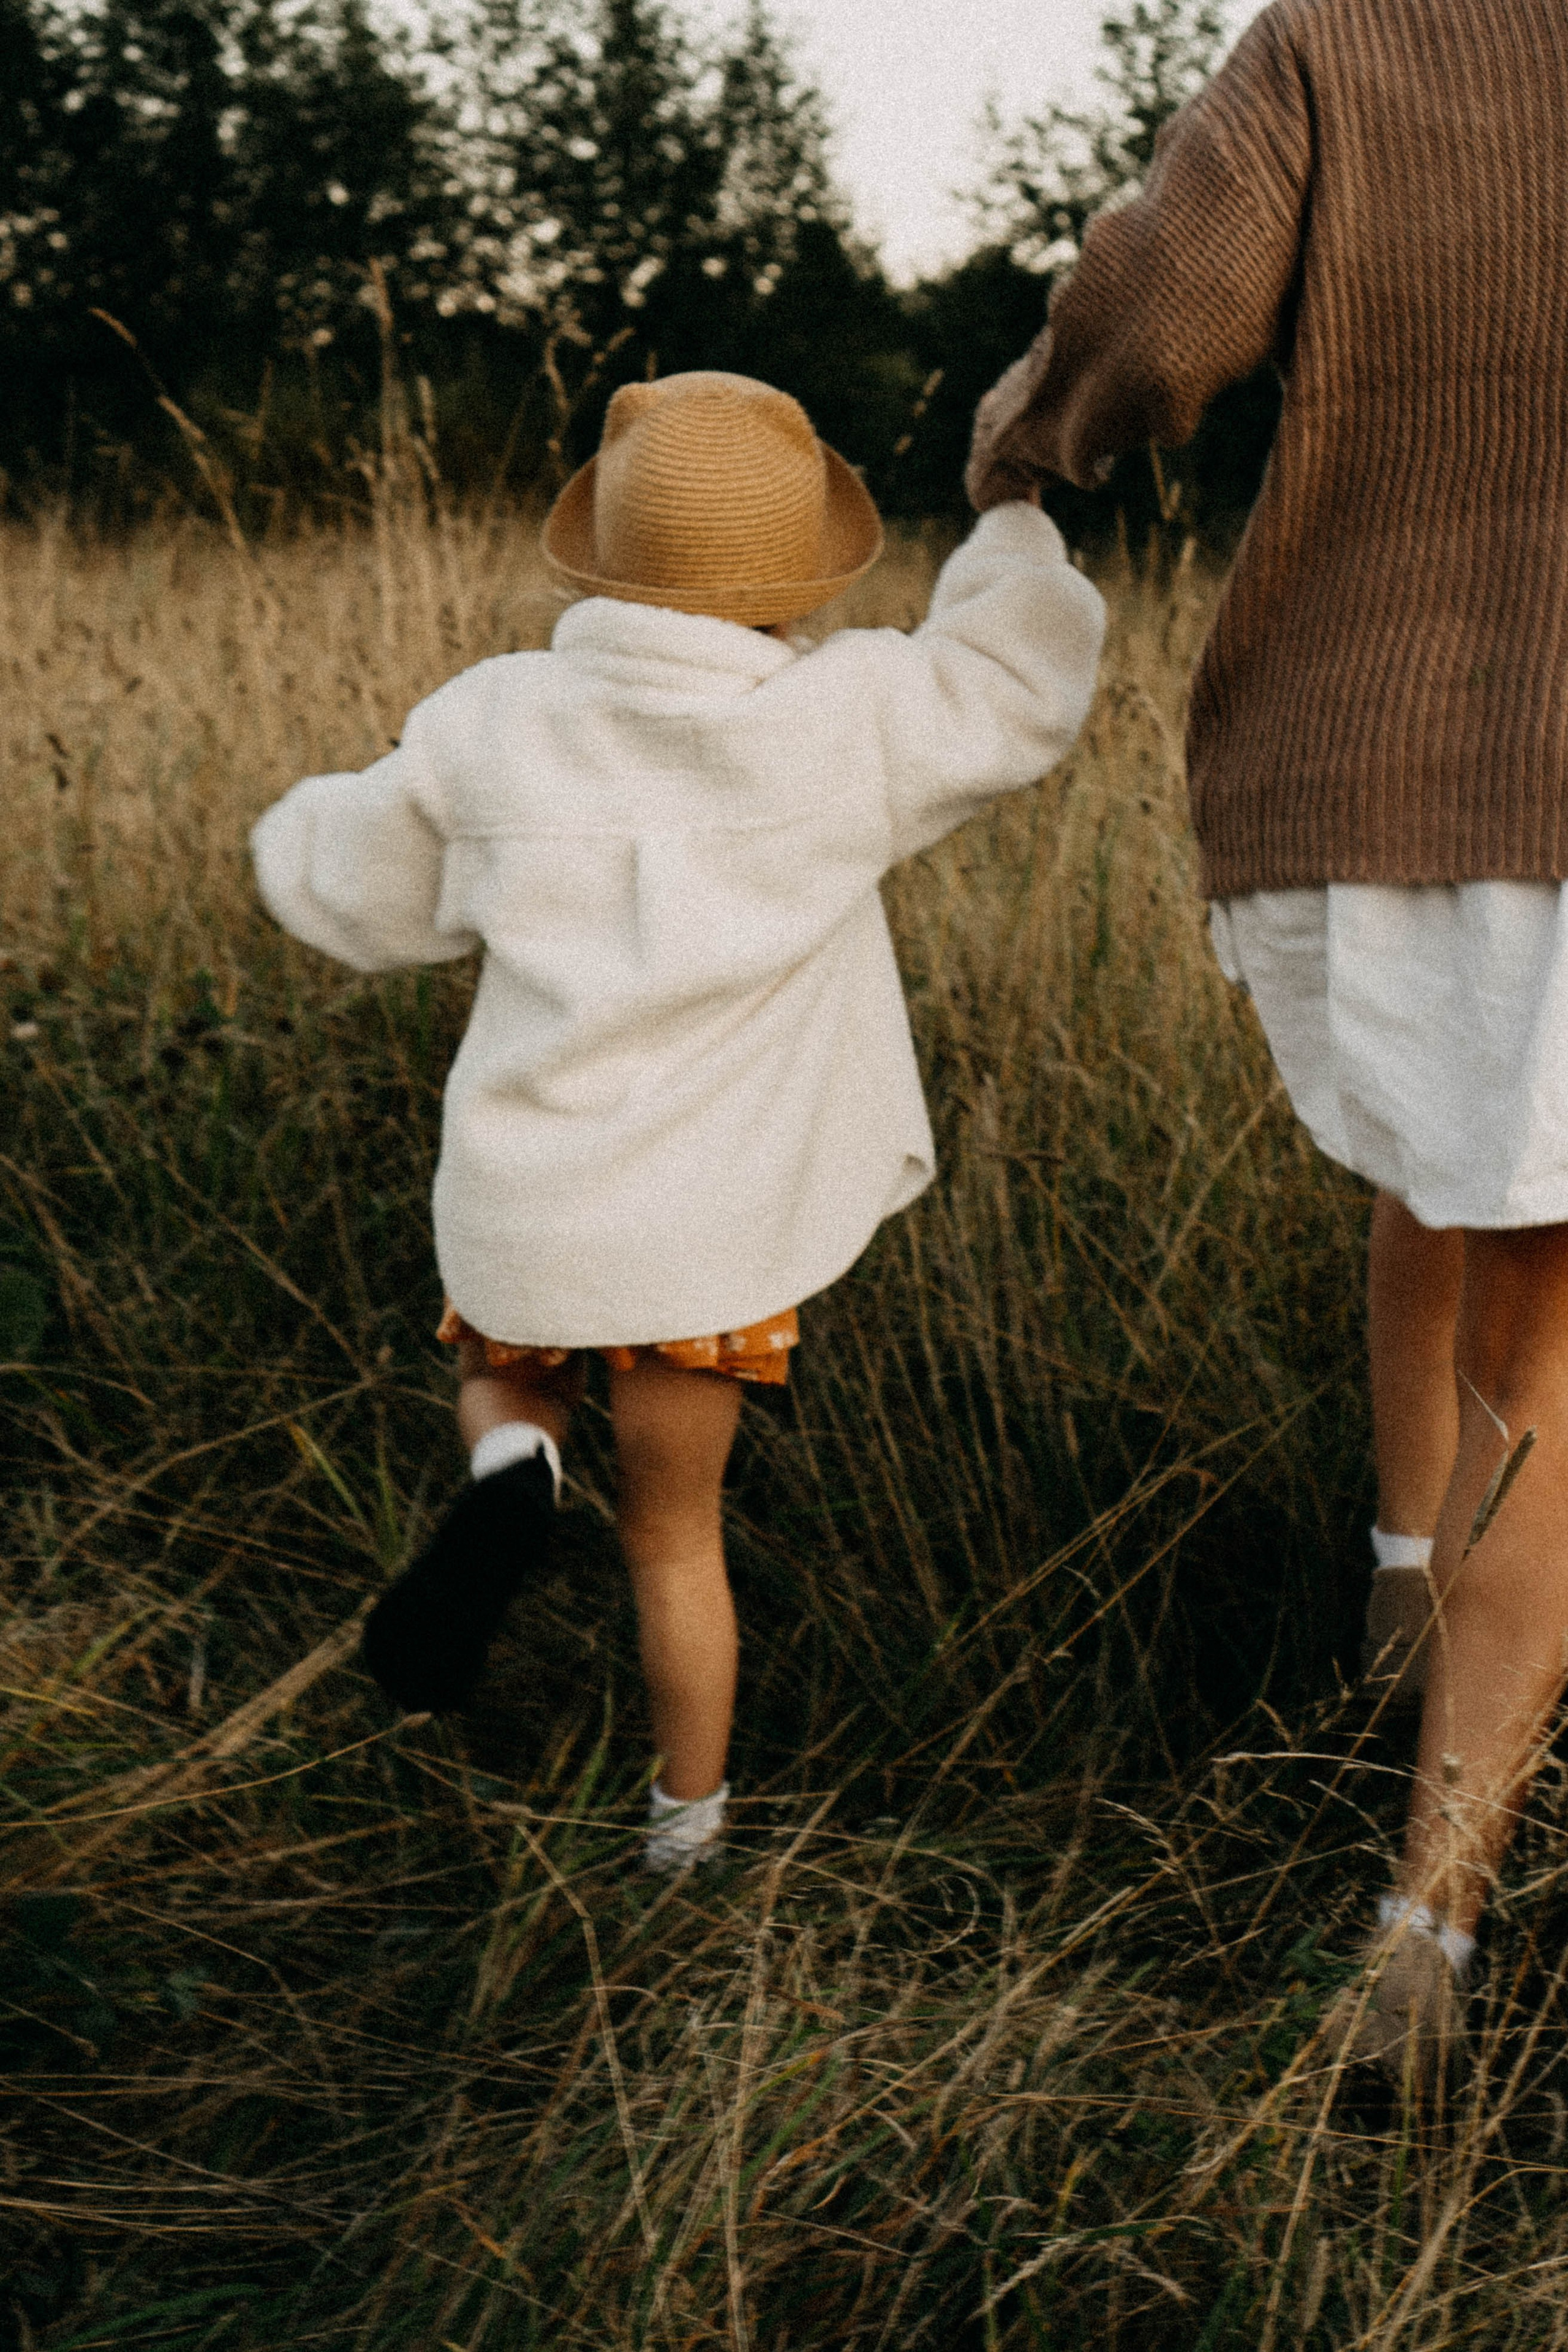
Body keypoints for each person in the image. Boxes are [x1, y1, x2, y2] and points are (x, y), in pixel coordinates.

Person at [253, 370, 1105, 1873]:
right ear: (797, 577)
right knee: (671, 1538)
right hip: (706, 1238)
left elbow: (352, 877)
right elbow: (1012, 684)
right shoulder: (844, 723)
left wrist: (294, 828)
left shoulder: (493, 721)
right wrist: (1010, 520)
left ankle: (511, 1475)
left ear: (605, 556)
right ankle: (684, 1833)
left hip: (533, 1202)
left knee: (507, 1385)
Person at [967, 0, 1568, 2081]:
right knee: (1539, 1344)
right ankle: (1426, 1873)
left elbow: (1168, 317)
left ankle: (1409, 1705)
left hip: (1400, 757)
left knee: (1449, 1177)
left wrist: (1031, 430)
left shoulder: (1346, 37)